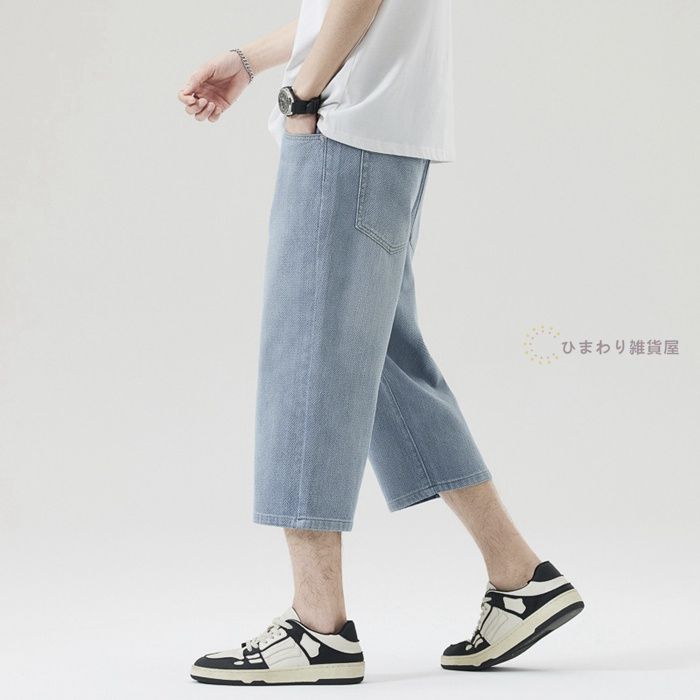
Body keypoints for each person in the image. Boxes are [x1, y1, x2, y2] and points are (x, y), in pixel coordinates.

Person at [177, 0, 583, 686]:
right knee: (386, 360)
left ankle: (317, 627)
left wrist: (304, 94)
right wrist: (249, 60)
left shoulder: (329, 105)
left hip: (345, 127)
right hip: (382, 127)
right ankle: (520, 577)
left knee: (308, 358)